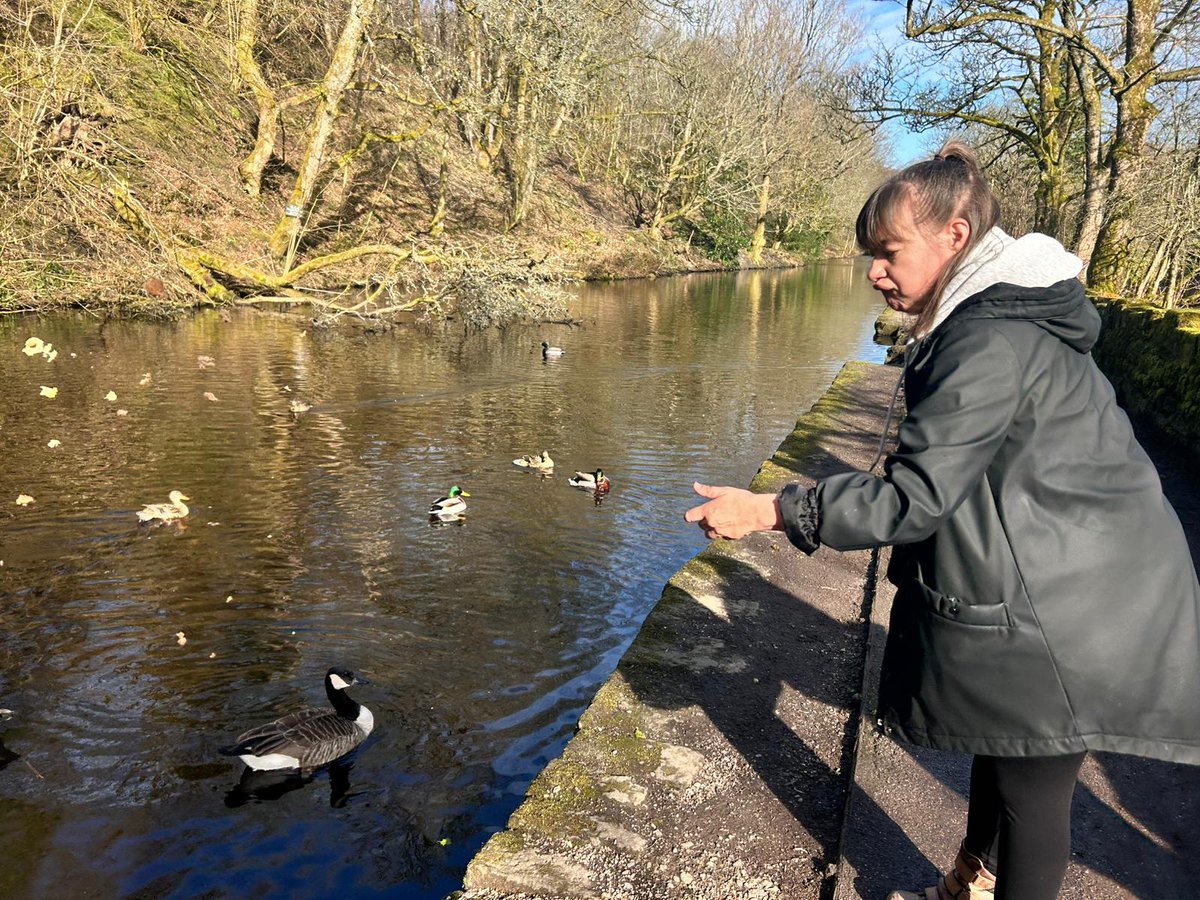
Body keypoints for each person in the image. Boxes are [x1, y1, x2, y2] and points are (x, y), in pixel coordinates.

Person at [683, 141, 1200, 900]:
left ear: (954, 236)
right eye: (870, 254)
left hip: (1074, 603)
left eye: (888, 251)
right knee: (1009, 746)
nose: (873, 271)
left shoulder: (985, 338)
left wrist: (771, 507)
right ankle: (970, 883)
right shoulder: (996, 318)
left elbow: (915, 496)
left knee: (1032, 796)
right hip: (1085, 578)